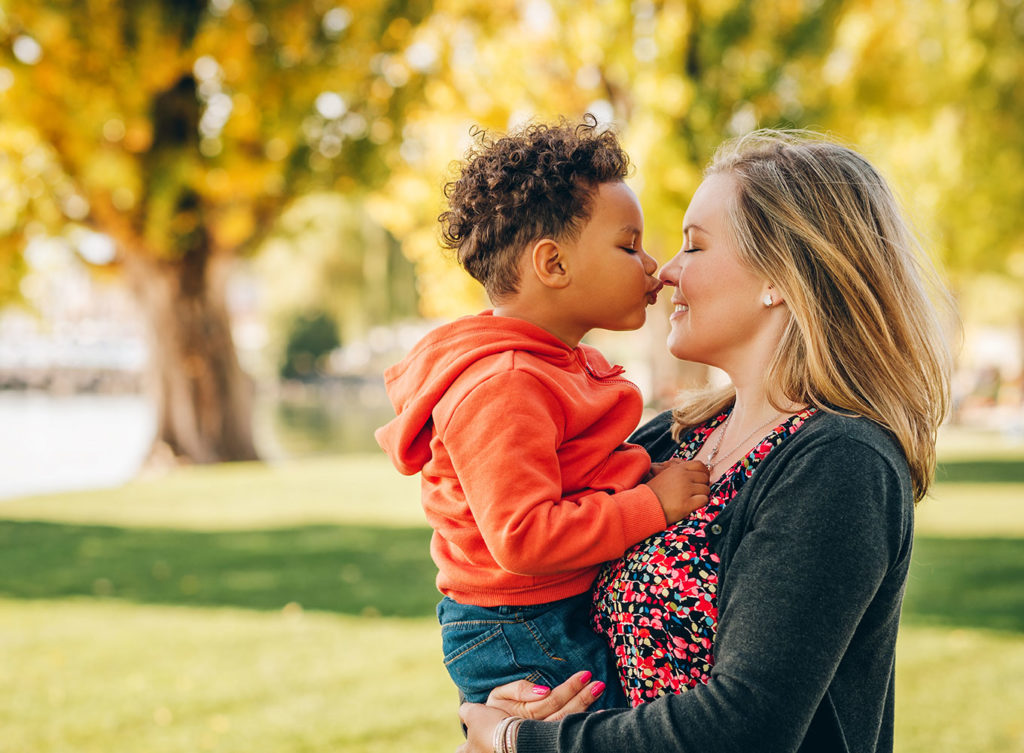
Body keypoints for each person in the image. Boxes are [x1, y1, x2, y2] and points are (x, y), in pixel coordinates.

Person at [458, 129, 953, 753]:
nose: (664, 271)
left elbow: (745, 725)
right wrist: (509, 699)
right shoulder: (668, 442)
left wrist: (518, 743)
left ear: (779, 274)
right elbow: (526, 596)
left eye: (693, 246)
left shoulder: (840, 463)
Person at [374, 117, 711, 712]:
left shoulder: (548, 366)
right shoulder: (503, 387)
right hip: (520, 628)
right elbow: (523, 535)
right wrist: (650, 506)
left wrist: (633, 475)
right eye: (628, 245)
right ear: (553, 264)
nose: (653, 265)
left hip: (545, 608)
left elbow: (571, 474)